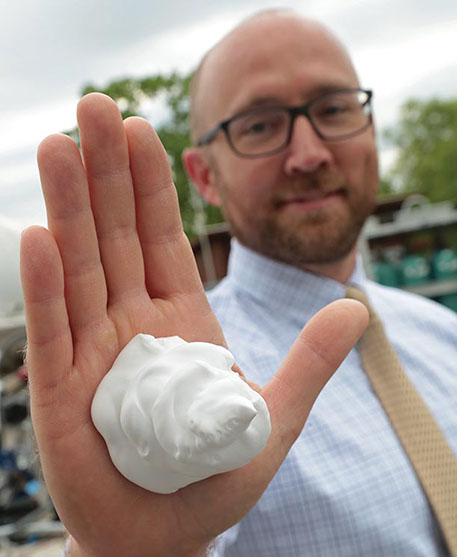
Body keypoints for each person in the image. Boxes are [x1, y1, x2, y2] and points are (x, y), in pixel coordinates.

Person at [19, 9, 456, 557]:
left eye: (334, 109)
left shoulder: (444, 332)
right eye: (260, 125)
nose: (310, 153)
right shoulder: (192, 378)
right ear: (203, 176)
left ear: (370, 128)